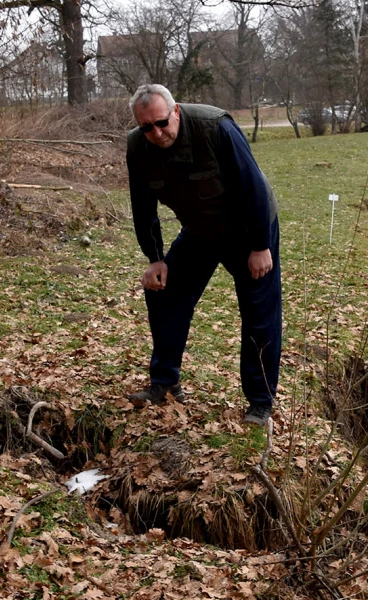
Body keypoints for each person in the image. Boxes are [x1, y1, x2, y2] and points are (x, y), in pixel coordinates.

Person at [124, 84, 282, 427]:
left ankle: (260, 402)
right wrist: (155, 257)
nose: (157, 132)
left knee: (259, 314)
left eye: (162, 122)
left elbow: (253, 185)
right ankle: (165, 383)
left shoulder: (215, 127)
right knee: (164, 291)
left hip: (248, 229)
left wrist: (259, 246)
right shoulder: (138, 146)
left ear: (175, 110)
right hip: (199, 231)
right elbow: (142, 206)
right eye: (147, 127)